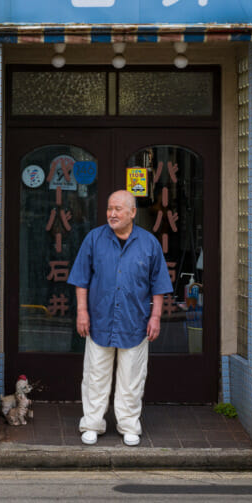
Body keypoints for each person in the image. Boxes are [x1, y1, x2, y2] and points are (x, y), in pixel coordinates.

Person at [68, 189, 173, 446]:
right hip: (99, 321)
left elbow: (158, 285)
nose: (112, 214)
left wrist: (155, 317)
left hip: (135, 322)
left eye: (118, 209)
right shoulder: (94, 239)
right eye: (109, 209)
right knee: (95, 376)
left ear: (132, 213)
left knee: (132, 378)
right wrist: (82, 312)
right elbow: (81, 280)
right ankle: (92, 424)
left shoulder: (149, 243)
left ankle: (128, 425)